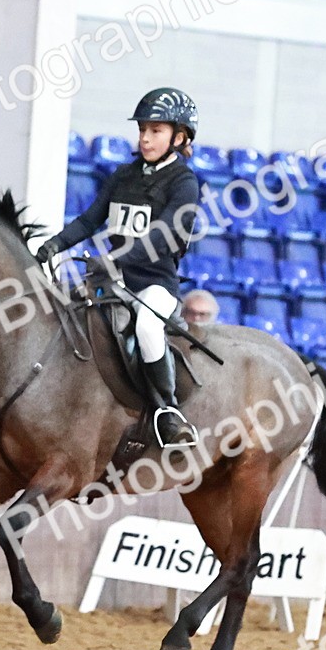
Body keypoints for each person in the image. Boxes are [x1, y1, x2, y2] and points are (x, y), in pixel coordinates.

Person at [37, 87, 201, 446]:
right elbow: (90, 219)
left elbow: (162, 235)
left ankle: (167, 412)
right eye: (142, 130)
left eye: (155, 131)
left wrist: (114, 258)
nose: (144, 138)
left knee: (145, 327)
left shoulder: (184, 183)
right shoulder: (124, 175)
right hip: (112, 281)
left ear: (180, 136)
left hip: (155, 284)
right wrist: (53, 245)